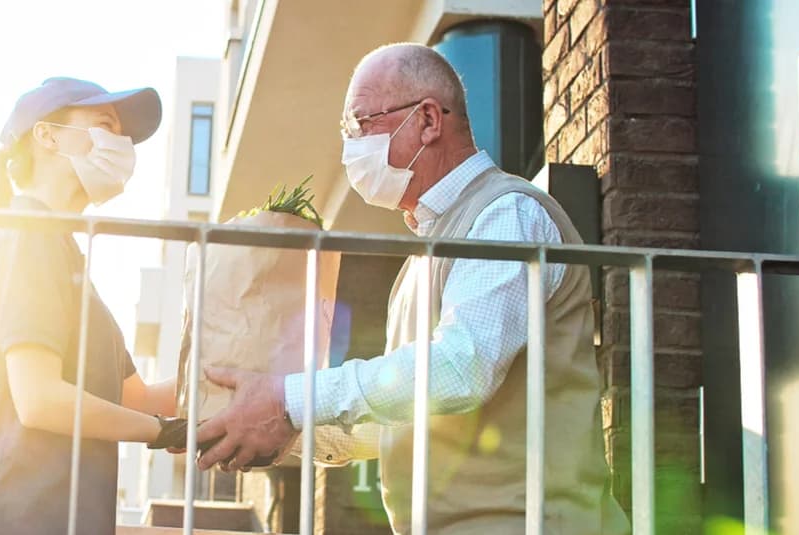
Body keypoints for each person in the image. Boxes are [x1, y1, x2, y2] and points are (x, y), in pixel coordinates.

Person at [193, 44, 630, 534]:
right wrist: (277, 427)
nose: (349, 149)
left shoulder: (506, 215)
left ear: (427, 120)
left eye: (359, 126)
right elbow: (405, 415)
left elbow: (462, 367)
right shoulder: (431, 252)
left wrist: (288, 398)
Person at [0, 77, 188, 535]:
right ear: (47, 136)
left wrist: (237, 381)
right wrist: (163, 432)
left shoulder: (61, 255)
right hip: (11, 519)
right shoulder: (28, 237)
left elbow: (137, 397)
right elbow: (39, 399)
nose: (121, 143)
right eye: (106, 123)